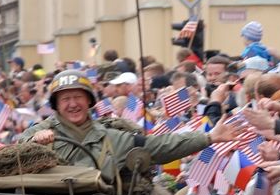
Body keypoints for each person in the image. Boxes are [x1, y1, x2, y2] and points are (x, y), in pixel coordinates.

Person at [19, 71, 241, 186]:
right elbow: (13, 154)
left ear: (89, 102)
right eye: (66, 99)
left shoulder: (113, 136)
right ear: (56, 105)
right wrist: (33, 143)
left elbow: (160, 146)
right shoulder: (40, 132)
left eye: (78, 97)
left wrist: (209, 137)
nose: (73, 104)